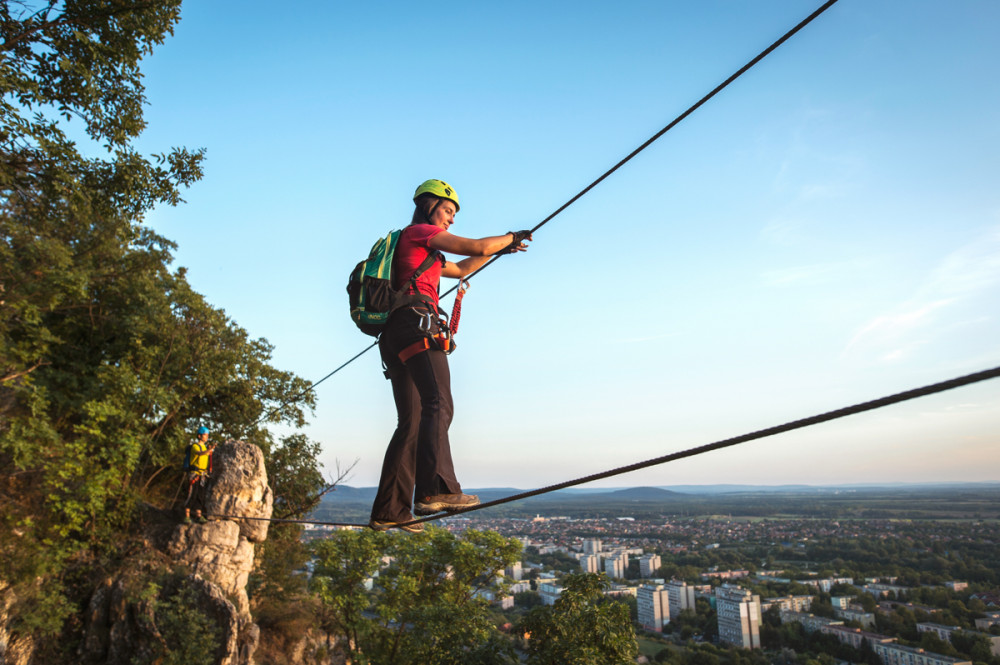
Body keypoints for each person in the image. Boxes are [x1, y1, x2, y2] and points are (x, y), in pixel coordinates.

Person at [369, 179, 531, 533]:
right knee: (439, 402)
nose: (451, 220)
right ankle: (435, 489)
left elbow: (461, 268)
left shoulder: (416, 251)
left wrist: (499, 250)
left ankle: (390, 510)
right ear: (429, 206)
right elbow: (474, 245)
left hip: (394, 335)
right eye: (448, 210)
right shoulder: (419, 233)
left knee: (410, 422)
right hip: (415, 325)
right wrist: (511, 237)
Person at [184, 425, 215, 524]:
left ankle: (198, 515)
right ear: (199, 436)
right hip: (194, 474)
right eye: (205, 435)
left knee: (200, 495)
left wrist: (209, 450)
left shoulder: (205, 447)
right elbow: (200, 453)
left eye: (207, 435)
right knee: (192, 494)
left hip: (202, 475)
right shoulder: (195, 446)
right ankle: (187, 516)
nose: (206, 437)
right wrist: (208, 451)